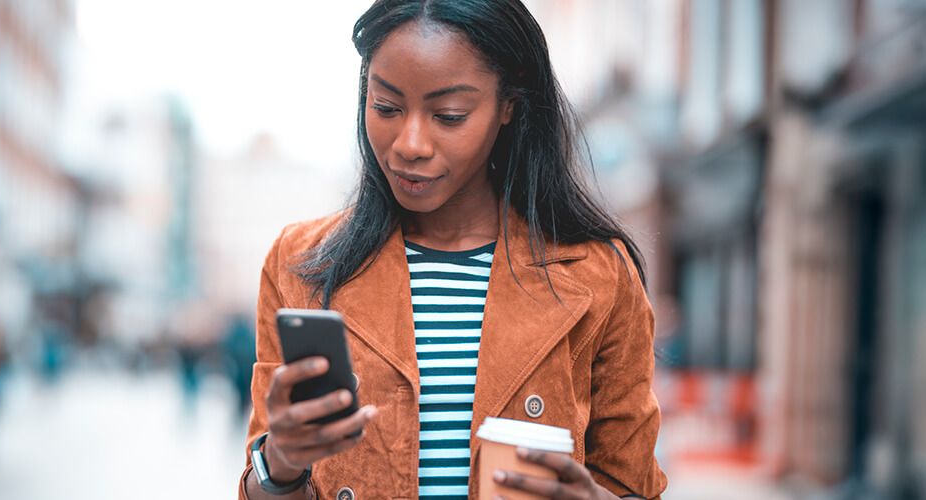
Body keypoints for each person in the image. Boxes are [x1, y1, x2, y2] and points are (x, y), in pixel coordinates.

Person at [238, 1, 667, 498]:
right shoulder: (301, 264)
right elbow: (263, 483)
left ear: (509, 103)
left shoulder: (598, 274)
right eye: (386, 107)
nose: (410, 143)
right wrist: (281, 462)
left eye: (449, 115)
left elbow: (632, 483)